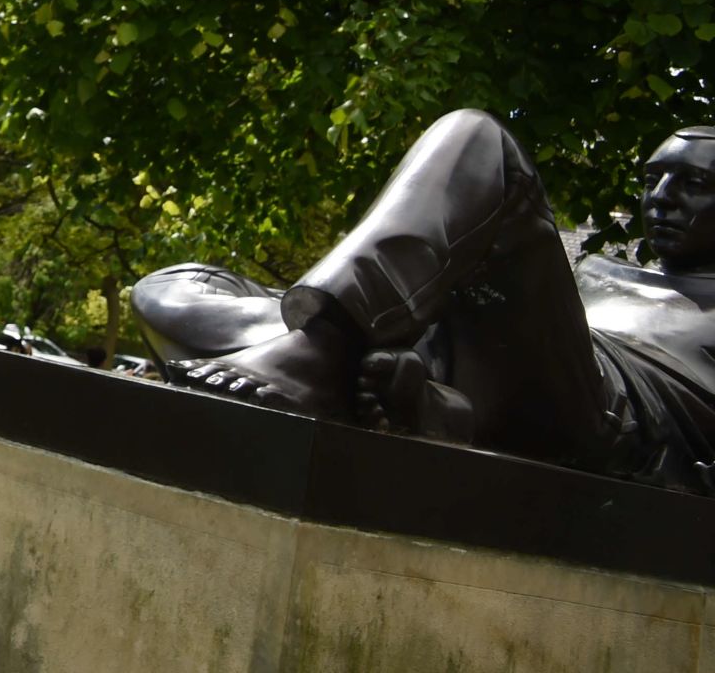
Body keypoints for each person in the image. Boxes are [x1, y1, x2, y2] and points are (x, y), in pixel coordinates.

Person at [147, 111, 715, 494]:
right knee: (173, 287)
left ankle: (322, 354)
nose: (661, 200)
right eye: (652, 180)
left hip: (603, 408)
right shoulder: (592, 269)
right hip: (461, 352)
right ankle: (408, 394)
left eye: (692, 184)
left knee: (476, 137)